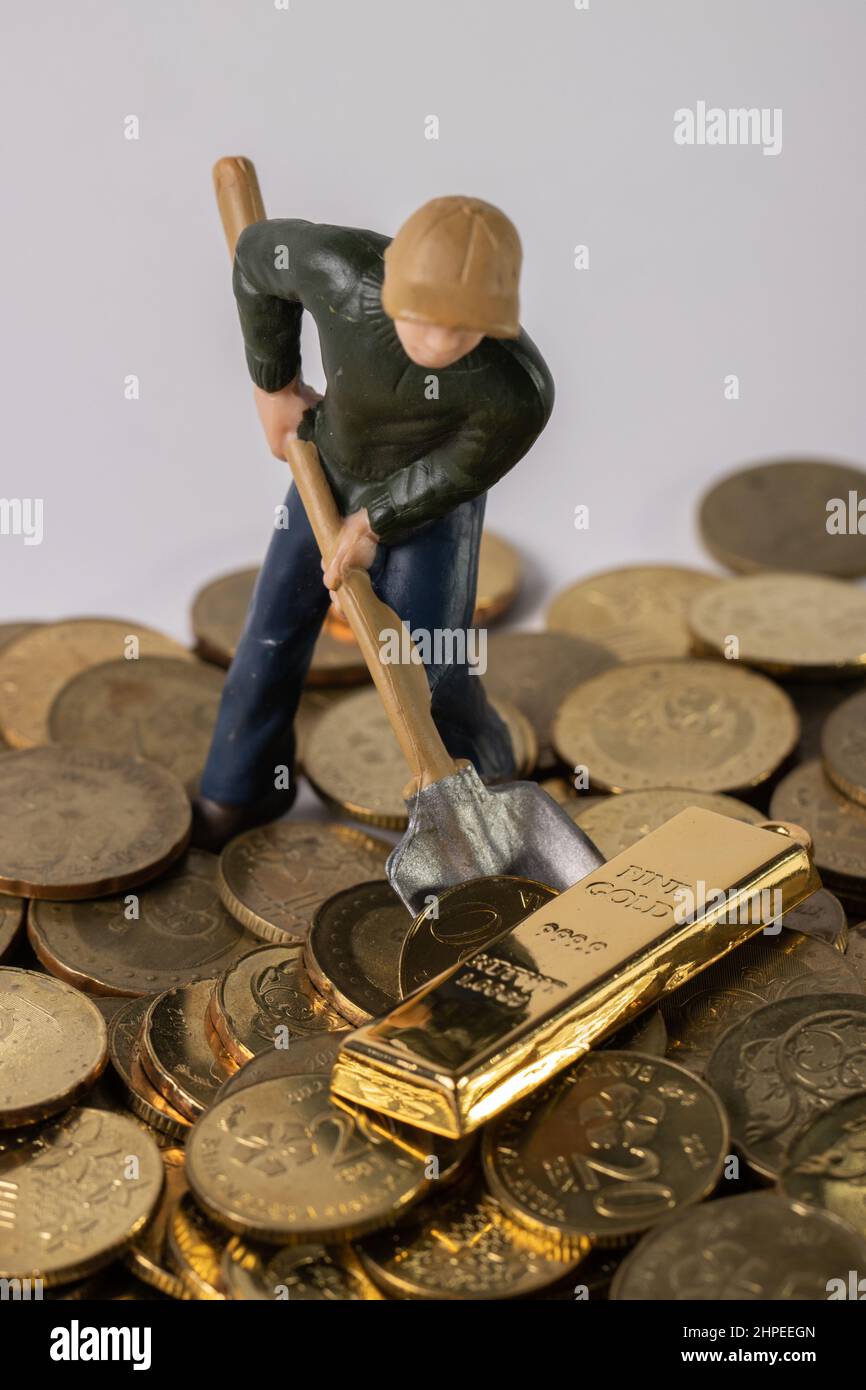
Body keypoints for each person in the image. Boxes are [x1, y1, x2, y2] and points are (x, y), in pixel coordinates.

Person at [193, 195, 555, 850]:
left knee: (429, 659)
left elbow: (457, 472)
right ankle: (239, 786)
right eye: (424, 320)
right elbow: (254, 257)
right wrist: (274, 383)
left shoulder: (517, 392)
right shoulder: (339, 268)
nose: (441, 345)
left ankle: (480, 781)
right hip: (327, 467)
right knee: (272, 629)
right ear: (388, 281)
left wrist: (374, 522)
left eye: (465, 329)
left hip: (432, 509)